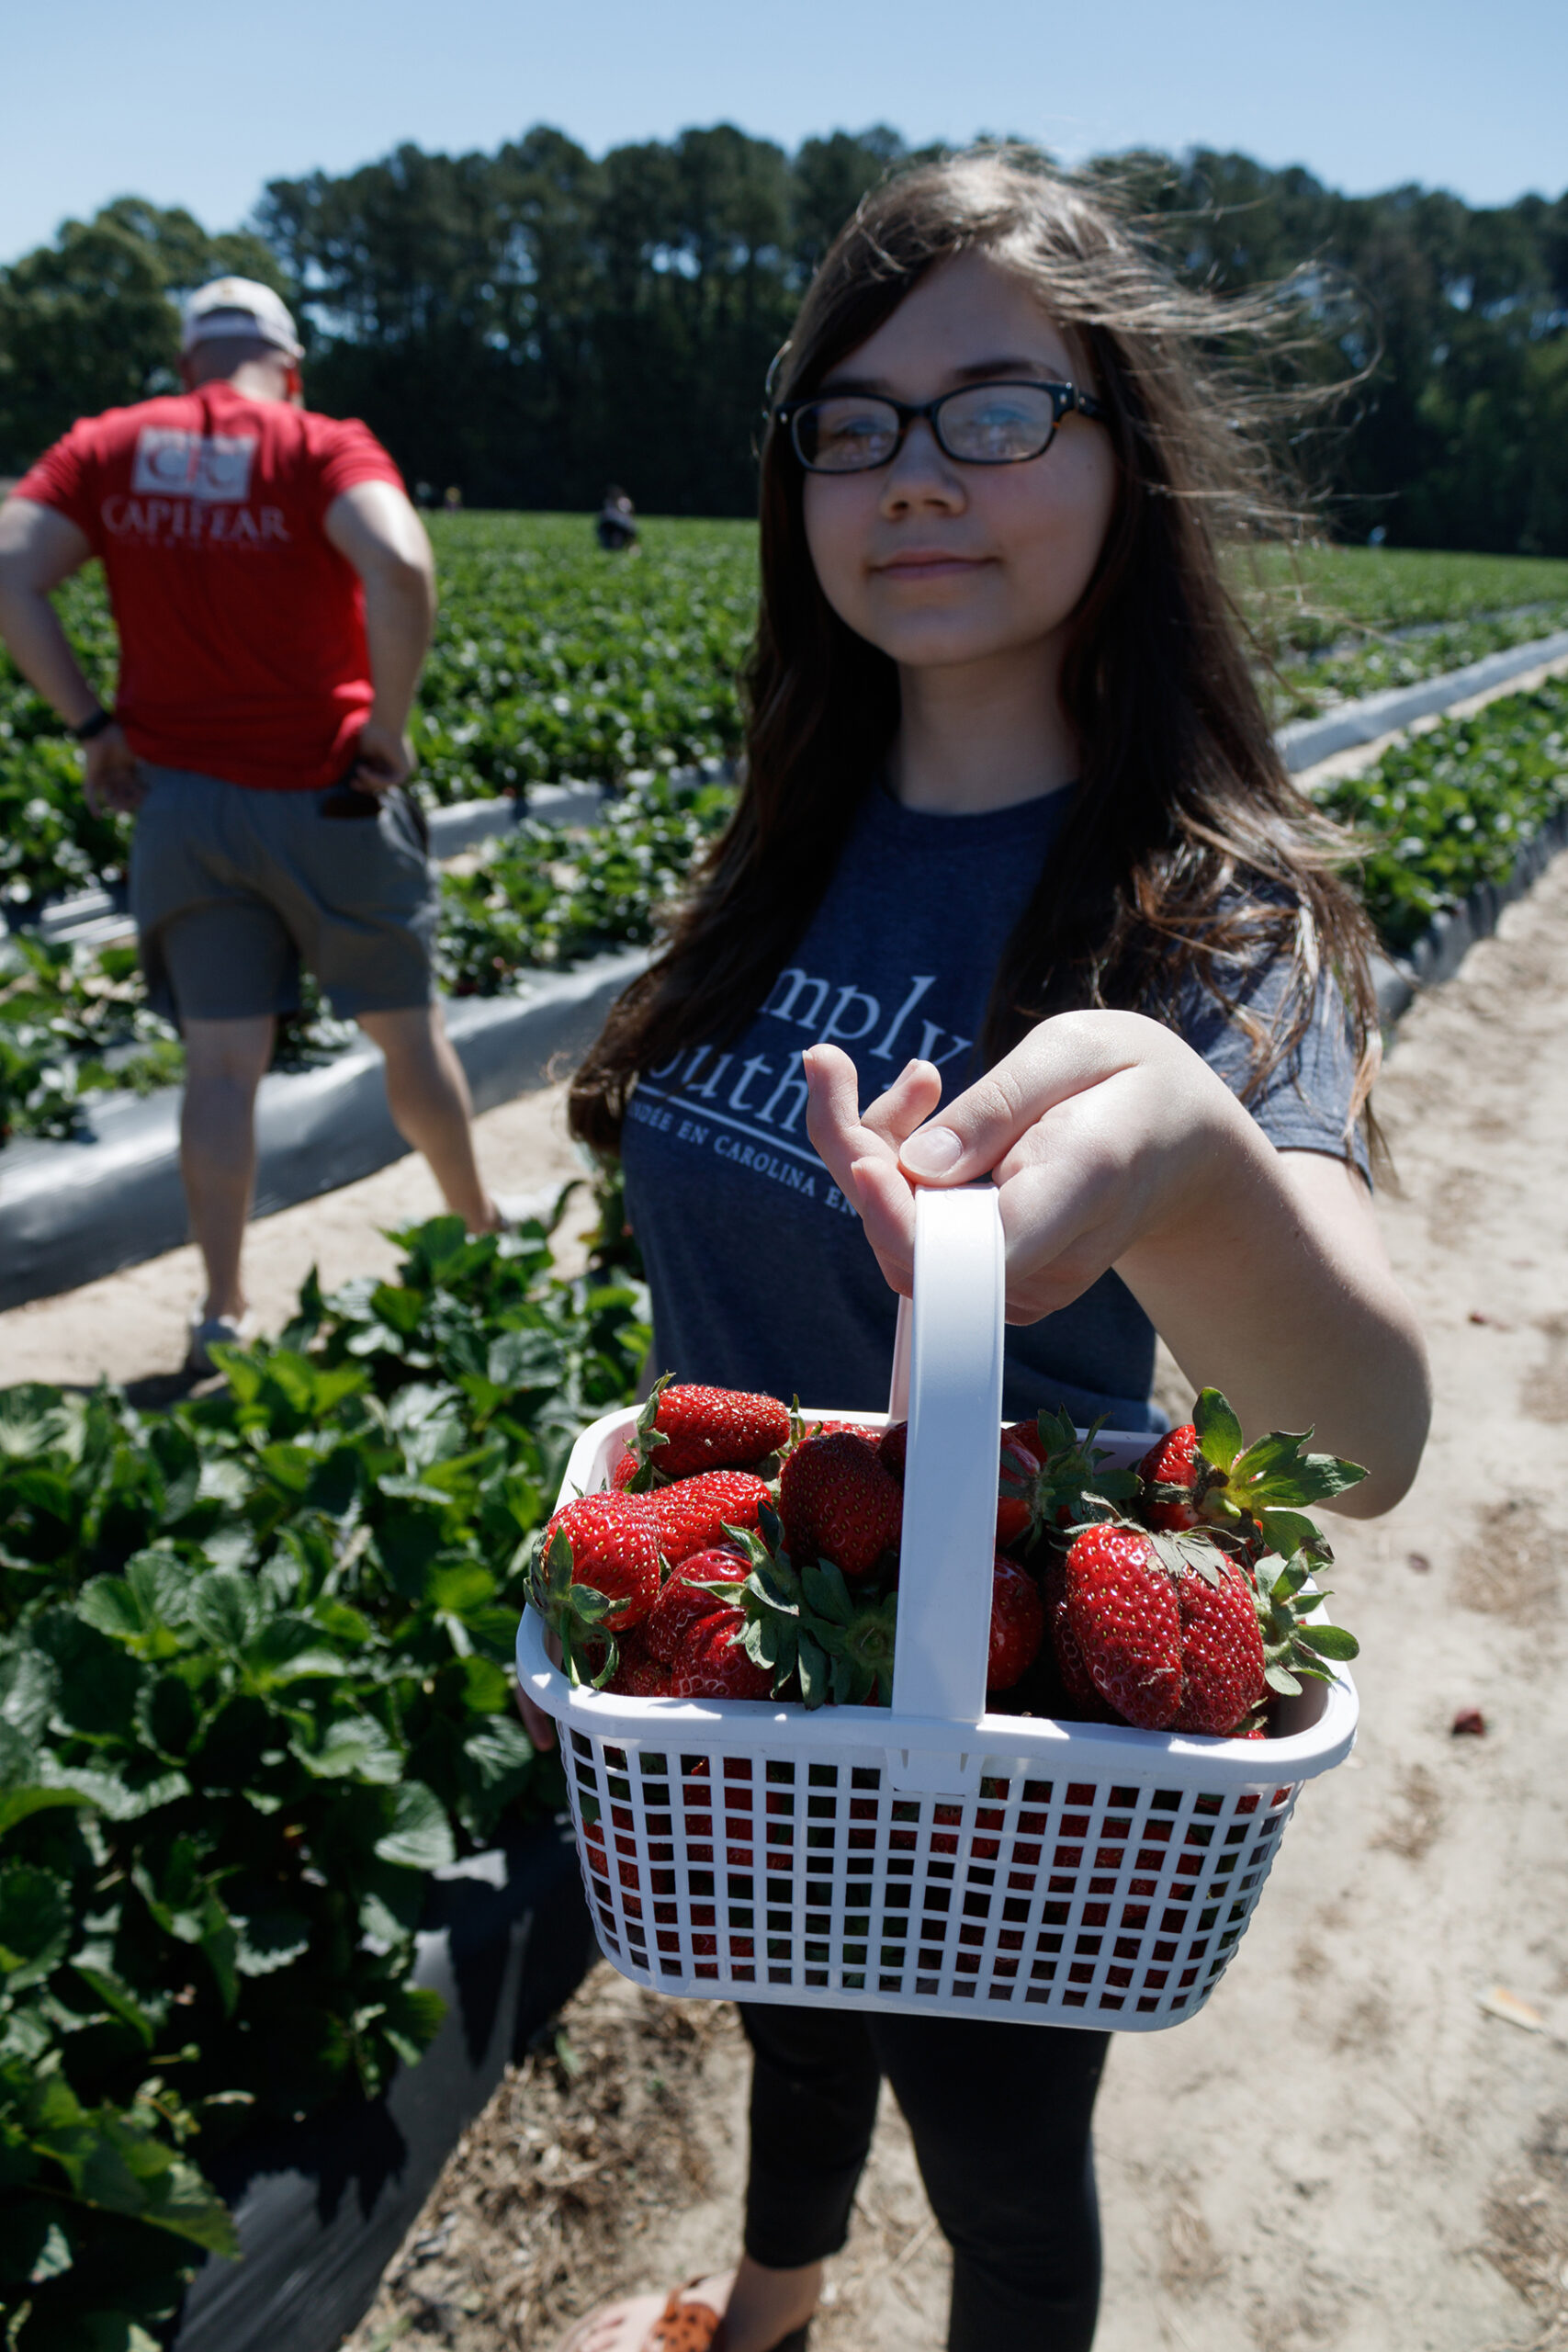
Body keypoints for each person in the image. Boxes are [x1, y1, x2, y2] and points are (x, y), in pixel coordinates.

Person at [524, 152, 1431, 2352]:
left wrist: (1187, 1158)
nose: (911, 476)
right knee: (791, 2014)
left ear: (1128, 460)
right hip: (744, 1666)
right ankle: (773, 2286)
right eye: (852, 422)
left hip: (1003, 1712)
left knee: (1006, 2164)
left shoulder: (1208, 917)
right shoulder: (789, 825)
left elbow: (1369, 1431)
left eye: (993, 409)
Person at [0, 277, 516, 1371]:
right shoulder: (316, 442)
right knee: (405, 1033)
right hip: (329, 791)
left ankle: (224, 1309)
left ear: (188, 362)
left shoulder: (111, 447)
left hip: (179, 804)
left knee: (220, 1067)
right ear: (287, 365)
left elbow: (10, 566)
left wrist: (94, 725)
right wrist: (386, 725)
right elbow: (403, 561)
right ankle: (482, 1231)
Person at [596, 484, 639, 552]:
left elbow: (629, 514)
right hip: (610, 525)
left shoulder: (624, 502)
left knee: (630, 543)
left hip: (623, 526)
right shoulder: (608, 502)